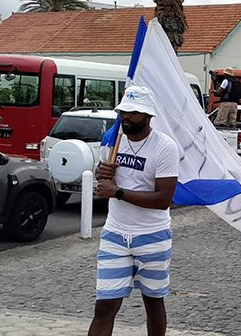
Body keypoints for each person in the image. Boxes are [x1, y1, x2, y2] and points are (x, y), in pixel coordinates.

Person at [89, 86, 180, 336]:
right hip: (115, 234)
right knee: (105, 306)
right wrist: (103, 173)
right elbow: (105, 177)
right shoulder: (113, 141)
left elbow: (163, 198)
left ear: (148, 115)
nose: (126, 117)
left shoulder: (164, 148)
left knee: (153, 302)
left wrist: (117, 192)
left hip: (153, 235)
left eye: (133, 112)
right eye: (123, 112)